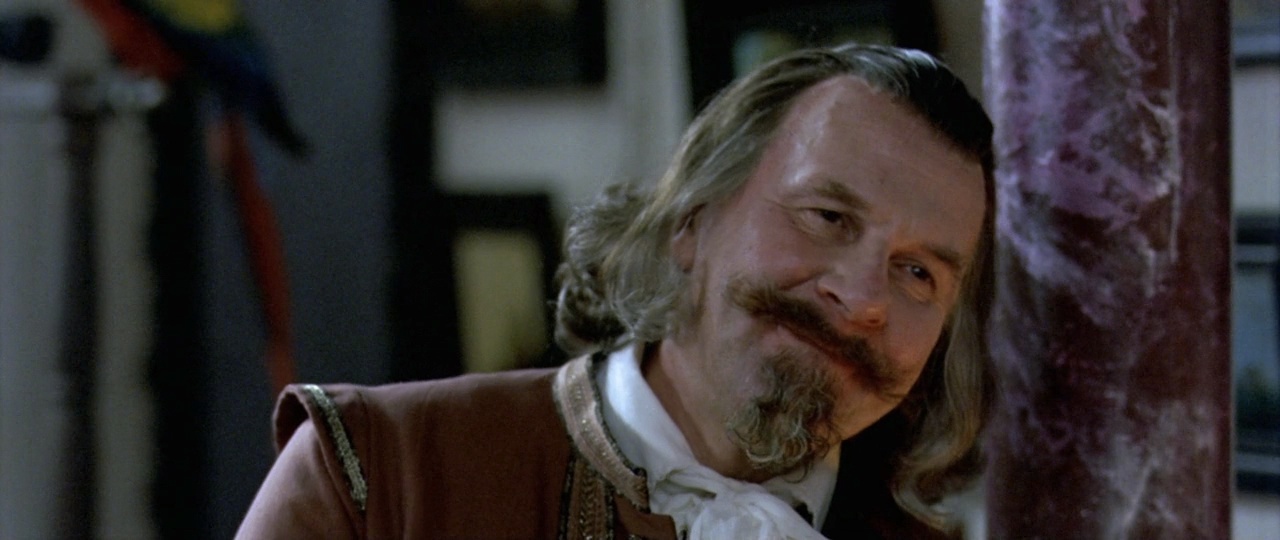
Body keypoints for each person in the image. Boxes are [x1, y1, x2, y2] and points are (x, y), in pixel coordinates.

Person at [236, 42, 995, 540]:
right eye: (827, 217)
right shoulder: (377, 478)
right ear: (692, 221)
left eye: (918, 273)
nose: (863, 298)